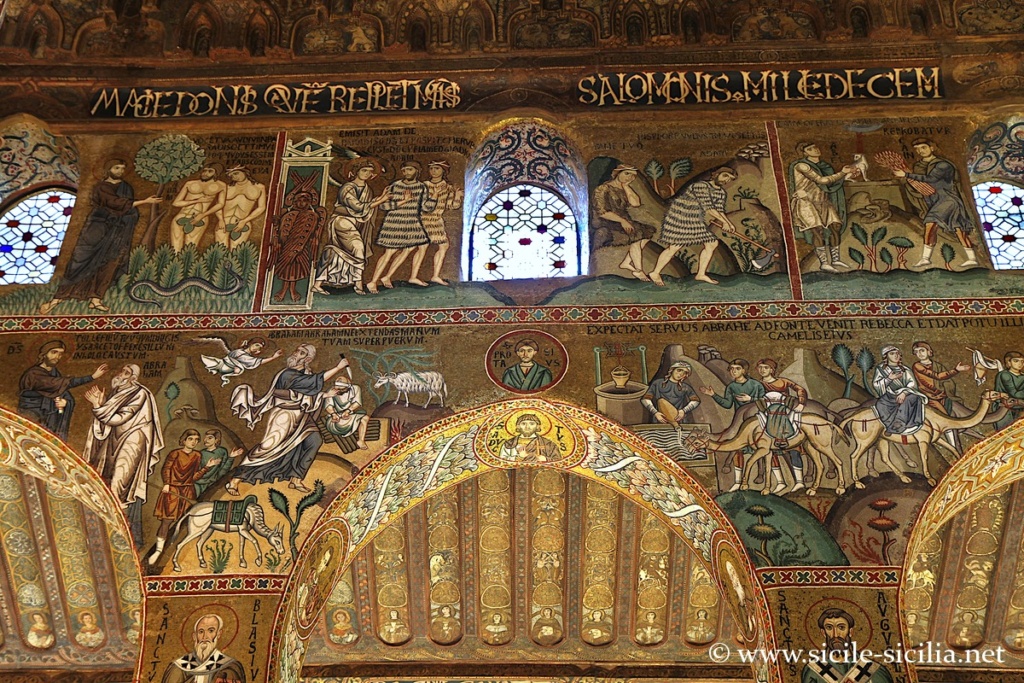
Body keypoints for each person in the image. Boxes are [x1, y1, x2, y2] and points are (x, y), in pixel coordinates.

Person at [39, 159, 162, 314]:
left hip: (118, 231)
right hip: (98, 228)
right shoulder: (101, 187)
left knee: (111, 262)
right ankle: (57, 299)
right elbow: (115, 203)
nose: (120, 171)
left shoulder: (126, 187)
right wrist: (145, 201)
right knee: (82, 260)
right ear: (108, 168)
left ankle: (96, 299)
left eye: (122, 168)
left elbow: (127, 208)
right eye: (116, 168)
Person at [226, 345, 351, 495]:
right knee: (267, 448)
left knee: (314, 440)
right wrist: (337, 368)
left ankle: (296, 479)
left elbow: (308, 388)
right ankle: (235, 480)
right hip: (284, 415)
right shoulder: (287, 374)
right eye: (297, 350)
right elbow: (305, 385)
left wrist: (325, 395)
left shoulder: (304, 374)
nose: (296, 353)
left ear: (308, 359)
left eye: (302, 352)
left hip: (301, 416)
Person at [83, 364, 164, 514]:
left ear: (133, 378)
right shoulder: (116, 392)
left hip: (133, 438)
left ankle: (119, 517)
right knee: (105, 477)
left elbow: (119, 418)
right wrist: (101, 404)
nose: (121, 375)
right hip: (114, 438)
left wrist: (97, 406)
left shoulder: (139, 393)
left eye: (126, 373)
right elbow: (106, 420)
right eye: (122, 371)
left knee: (120, 480)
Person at [894, 138, 979, 268]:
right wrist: (910, 182)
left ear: (932, 148)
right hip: (934, 201)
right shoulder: (918, 166)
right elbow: (921, 186)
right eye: (917, 149)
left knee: (930, 223)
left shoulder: (943, 165)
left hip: (948, 200)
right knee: (958, 229)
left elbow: (931, 179)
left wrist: (906, 175)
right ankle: (972, 258)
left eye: (923, 147)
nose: (920, 151)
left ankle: (925, 258)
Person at [648, 167, 738, 286]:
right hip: (681, 215)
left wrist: (729, 224)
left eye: (730, 179)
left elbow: (719, 210)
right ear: (716, 174)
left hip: (695, 217)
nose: (726, 180)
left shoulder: (721, 193)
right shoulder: (701, 186)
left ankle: (700, 274)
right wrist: (725, 223)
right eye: (725, 176)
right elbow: (709, 208)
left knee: (711, 243)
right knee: (675, 246)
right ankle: (655, 272)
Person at [313, 158, 391, 296]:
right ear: (356, 171)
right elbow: (358, 206)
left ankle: (317, 284)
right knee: (358, 248)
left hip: (354, 223)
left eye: (370, 172)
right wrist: (381, 200)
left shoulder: (367, 189)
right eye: (364, 170)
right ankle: (358, 284)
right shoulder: (347, 187)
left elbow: (367, 206)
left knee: (335, 251)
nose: (367, 174)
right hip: (342, 221)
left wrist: (380, 199)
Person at [149, 429, 221, 564]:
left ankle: (176, 553)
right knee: (167, 521)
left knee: (186, 521)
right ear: (184, 440)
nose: (193, 442)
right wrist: (167, 483)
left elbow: (194, 477)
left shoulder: (197, 455)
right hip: (172, 490)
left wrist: (207, 467)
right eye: (190, 439)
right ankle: (158, 551)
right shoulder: (175, 453)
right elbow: (166, 469)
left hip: (188, 490)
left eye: (196, 440)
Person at [366, 160, 438, 293]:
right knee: (390, 252)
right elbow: (384, 205)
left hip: (412, 222)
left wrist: (433, 197)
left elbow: (426, 207)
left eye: (410, 170)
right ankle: (373, 281)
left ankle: (388, 277)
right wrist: (403, 201)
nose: (407, 172)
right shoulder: (395, 186)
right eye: (405, 170)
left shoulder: (421, 187)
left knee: (419, 246)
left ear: (417, 171)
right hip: (395, 222)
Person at [18, 340, 107, 441]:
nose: (57, 357)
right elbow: (57, 384)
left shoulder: (54, 372)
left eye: (60, 354)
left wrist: (65, 402)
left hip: (50, 417)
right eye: (54, 352)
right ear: (44, 354)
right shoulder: (33, 374)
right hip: (33, 415)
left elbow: (61, 392)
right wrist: (92, 377)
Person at [788, 141, 855, 273]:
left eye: (815, 147)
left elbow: (830, 185)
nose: (815, 149)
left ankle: (835, 259)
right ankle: (824, 263)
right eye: (810, 148)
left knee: (835, 227)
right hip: (806, 202)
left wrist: (847, 175)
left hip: (823, 201)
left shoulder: (825, 166)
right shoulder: (802, 165)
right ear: (804, 152)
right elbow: (821, 181)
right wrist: (842, 173)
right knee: (817, 231)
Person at [700, 359, 765, 491]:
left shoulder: (755, 385)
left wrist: (751, 399)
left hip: (757, 420)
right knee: (735, 445)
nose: (733, 371)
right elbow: (727, 404)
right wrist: (713, 395)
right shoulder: (731, 387)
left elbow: (765, 402)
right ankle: (738, 480)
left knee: (759, 446)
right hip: (739, 420)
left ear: (744, 370)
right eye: (731, 369)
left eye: (737, 368)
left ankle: (761, 473)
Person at [592, 164, 657, 280]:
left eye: (633, 176)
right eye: (627, 173)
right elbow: (602, 212)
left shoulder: (624, 189)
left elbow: (635, 203)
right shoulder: (603, 189)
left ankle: (626, 262)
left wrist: (626, 187)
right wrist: (622, 221)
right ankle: (639, 271)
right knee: (636, 235)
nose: (630, 178)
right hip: (607, 220)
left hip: (624, 220)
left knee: (648, 231)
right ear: (618, 173)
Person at [754, 358, 808, 494]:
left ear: (772, 369)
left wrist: (801, 403)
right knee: (768, 449)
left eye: (765, 367)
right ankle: (780, 482)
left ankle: (800, 482)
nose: (762, 370)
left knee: (794, 449)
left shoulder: (783, 381)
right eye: (760, 367)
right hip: (767, 413)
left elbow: (800, 389)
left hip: (784, 412)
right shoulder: (758, 385)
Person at [801, 608, 893, 683]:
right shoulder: (813, 671)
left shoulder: (874, 671)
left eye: (841, 627)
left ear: (850, 631)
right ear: (823, 632)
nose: (835, 634)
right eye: (829, 628)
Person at [271, 185, 327, 303]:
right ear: (295, 202)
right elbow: (281, 232)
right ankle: (283, 289)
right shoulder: (288, 215)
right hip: (287, 246)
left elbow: (313, 233)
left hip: (301, 247)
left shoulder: (312, 215)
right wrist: (277, 223)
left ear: (309, 202)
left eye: (305, 201)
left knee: (296, 269)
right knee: (286, 268)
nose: (301, 203)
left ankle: (292, 289)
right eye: (299, 200)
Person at [411, 160, 463, 286]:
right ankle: (414, 276)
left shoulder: (448, 187)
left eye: (437, 168)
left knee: (443, 246)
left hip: (437, 220)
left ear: (443, 171)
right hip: (425, 218)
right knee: (422, 247)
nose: (433, 171)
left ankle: (435, 276)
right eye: (431, 168)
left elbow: (452, 206)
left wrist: (457, 196)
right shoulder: (424, 185)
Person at [911, 341, 971, 449]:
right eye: (917, 352)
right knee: (946, 421)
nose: (919, 353)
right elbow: (937, 376)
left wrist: (945, 389)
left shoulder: (937, 365)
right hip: (929, 398)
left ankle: (959, 439)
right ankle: (953, 448)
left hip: (943, 395)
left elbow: (947, 381)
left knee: (958, 413)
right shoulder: (917, 366)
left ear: (929, 352)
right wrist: (956, 370)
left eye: (922, 350)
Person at [162, 614, 245, 683]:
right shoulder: (178, 667)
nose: (205, 637)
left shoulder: (229, 666)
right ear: (194, 636)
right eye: (201, 632)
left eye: (211, 631)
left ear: (219, 634)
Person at [169, 163, 226, 252]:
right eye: (204, 170)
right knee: (175, 248)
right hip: (181, 215)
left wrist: (204, 215)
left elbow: (220, 204)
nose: (205, 173)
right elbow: (176, 203)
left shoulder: (221, 185)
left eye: (210, 171)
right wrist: (197, 200)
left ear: (216, 173)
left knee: (191, 247)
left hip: (200, 217)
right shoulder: (190, 183)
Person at [872, 345, 927, 436]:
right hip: (890, 396)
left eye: (897, 353)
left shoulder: (905, 370)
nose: (895, 356)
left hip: (905, 396)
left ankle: (898, 424)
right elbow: (876, 384)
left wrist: (904, 393)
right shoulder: (881, 369)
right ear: (886, 356)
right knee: (880, 403)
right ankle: (889, 424)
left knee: (912, 398)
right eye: (892, 354)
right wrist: (889, 379)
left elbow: (912, 384)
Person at [201, 337, 283, 386]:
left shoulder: (248, 358)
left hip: (228, 370)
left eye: (260, 348)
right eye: (256, 345)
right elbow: (233, 355)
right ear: (251, 343)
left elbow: (259, 361)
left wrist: (273, 357)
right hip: (222, 365)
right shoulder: (239, 351)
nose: (257, 348)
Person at [219, 166, 267, 248]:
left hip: (242, 223)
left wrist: (244, 221)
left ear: (245, 172)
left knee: (236, 251)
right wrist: (220, 219)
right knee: (220, 249)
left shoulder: (259, 187)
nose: (233, 176)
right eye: (231, 175)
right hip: (223, 222)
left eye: (236, 173)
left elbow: (261, 207)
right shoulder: (226, 187)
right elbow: (219, 205)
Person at [642, 360, 700, 425]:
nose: (681, 374)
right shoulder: (658, 383)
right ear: (672, 370)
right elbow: (645, 399)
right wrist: (655, 412)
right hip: (661, 419)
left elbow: (696, 400)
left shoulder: (685, 387)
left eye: (685, 372)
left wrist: (683, 410)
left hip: (678, 419)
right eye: (679, 370)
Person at [324, 375, 369, 449]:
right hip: (336, 418)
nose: (338, 391)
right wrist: (333, 414)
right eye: (337, 389)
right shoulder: (331, 391)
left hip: (350, 415)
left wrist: (348, 411)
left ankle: (361, 440)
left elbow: (357, 402)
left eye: (341, 389)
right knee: (338, 424)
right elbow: (328, 406)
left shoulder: (355, 388)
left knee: (365, 418)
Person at [194, 430, 232, 497]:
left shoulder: (222, 451)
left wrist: (231, 457)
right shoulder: (200, 453)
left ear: (216, 440)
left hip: (213, 483)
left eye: (210, 438)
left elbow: (223, 470)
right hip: (198, 484)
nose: (206, 440)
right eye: (205, 437)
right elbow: (196, 473)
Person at [994, 351, 1024, 430]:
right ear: (1009, 362)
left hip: (1020, 408)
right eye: (1016, 361)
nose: (1020, 364)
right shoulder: (1005, 375)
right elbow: (1015, 394)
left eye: (1022, 361)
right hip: (1005, 410)